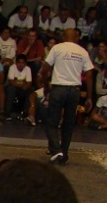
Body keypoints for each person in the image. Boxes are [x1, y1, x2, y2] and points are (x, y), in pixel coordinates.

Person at [40, 28, 95, 165]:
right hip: (74, 91)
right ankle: (64, 154)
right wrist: (89, 96)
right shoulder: (82, 51)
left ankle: (56, 150)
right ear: (76, 37)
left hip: (58, 88)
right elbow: (89, 75)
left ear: (63, 37)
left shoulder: (57, 48)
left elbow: (45, 68)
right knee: (68, 124)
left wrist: (45, 85)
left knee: (51, 122)